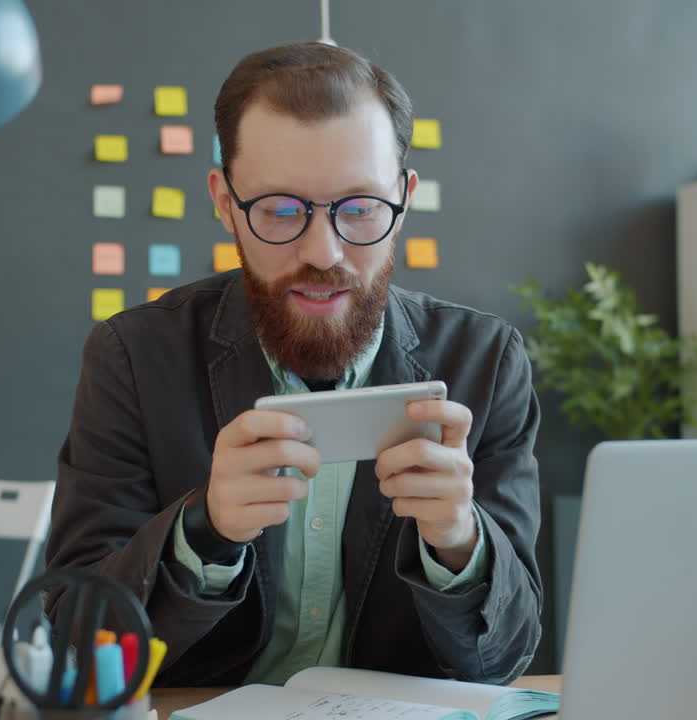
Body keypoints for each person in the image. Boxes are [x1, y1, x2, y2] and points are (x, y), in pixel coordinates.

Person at [46, 41, 542, 687]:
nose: (323, 251)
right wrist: (203, 531)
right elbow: (75, 641)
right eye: (280, 210)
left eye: (360, 208)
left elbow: (506, 657)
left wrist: (458, 541)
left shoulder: (487, 363)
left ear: (404, 198)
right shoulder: (134, 359)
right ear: (225, 201)